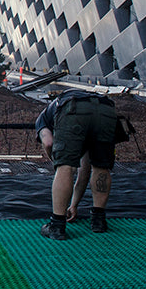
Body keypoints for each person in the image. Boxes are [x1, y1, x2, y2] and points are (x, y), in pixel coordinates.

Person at [35, 89, 120, 239]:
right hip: (106, 109)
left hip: (73, 108)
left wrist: (59, 163)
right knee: (101, 166)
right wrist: (73, 205)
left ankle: (57, 226)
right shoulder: (85, 108)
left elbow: (48, 143)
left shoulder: (43, 118)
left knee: (65, 167)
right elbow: (84, 171)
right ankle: (98, 221)